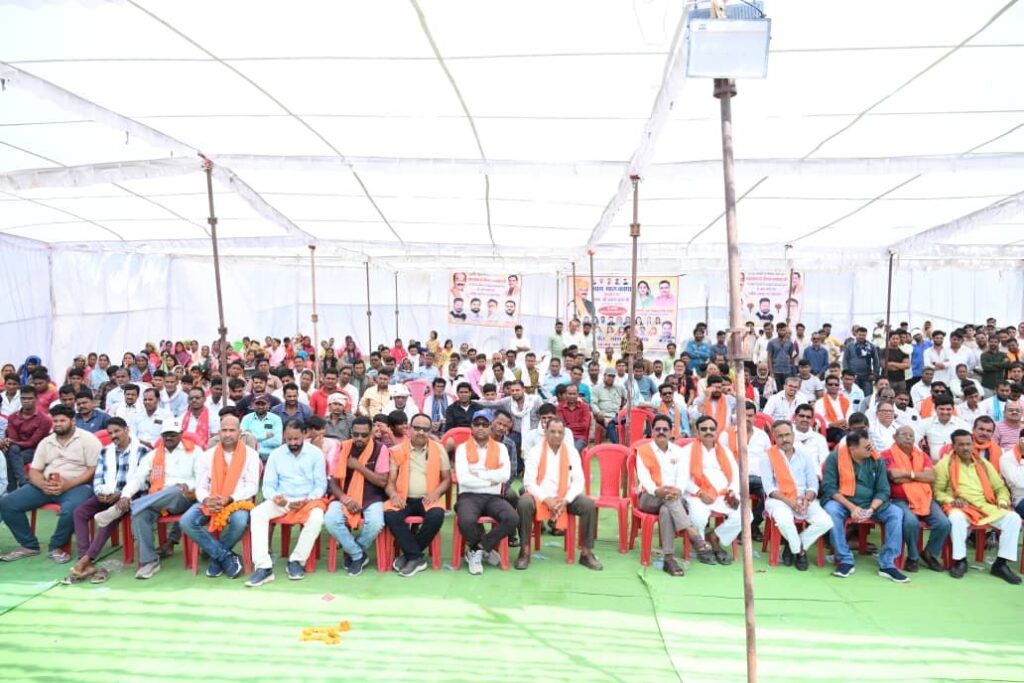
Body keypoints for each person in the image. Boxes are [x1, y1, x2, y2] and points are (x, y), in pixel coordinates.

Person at [0, 404, 101, 563]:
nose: (58, 424)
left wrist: (68, 485)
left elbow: (92, 470)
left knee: (72, 510)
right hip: (46, 485)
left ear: (73, 421)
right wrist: (42, 485)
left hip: (77, 485)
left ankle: (56, 546)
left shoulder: (88, 439)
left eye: (62, 421)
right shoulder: (46, 442)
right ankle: (29, 545)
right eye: (55, 421)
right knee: (7, 503)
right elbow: (35, 471)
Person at [66, 417, 149, 583]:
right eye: (110, 433)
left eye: (117, 431)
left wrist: (122, 494)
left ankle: (86, 559)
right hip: (108, 493)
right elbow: (98, 477)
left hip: (132, 496)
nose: (113, 436)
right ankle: (85, 558)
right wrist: (99, 492)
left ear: (127, 430)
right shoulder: (105, 451)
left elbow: (144, 481)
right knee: (80, 512)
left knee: (111, 516)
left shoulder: (142, 451)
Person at [246, 420, 328, 586]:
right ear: (284, 436)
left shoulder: (315, 454)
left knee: (317, 518)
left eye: (296, 439)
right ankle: (263, 567)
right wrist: (276, 497)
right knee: (257, 513)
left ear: (304, 435)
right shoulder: (276, 455)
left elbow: (320, 485)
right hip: (283, 500)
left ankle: (296, 560)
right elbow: (268, 486)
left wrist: (308, 500)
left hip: (308, 500)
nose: (292, 443)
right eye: (289, 439)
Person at [179, 415, 261, 580]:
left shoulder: (251, 455)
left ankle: (217, 558)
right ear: (218, 432)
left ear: (240, 433)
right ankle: (225, 557)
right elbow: (200, 486)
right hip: (211, 501)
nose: (228, 434)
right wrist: (206, 499)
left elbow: (252, 487)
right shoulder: (207, 456)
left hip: (237, 501)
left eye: (232, 430)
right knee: (186, 521)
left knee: (239, 522)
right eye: (224, 430)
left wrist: (229, 499)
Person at [934, 430, 1022, 584]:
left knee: (1013, 518)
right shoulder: (944, 464)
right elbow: (938, 491)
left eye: (968, 444)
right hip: (961, 506)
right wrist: (951, 500)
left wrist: (1002, 501)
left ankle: (1000, 564)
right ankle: (960, 561)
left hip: (985, 506)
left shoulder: (983, 464)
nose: (966, 448)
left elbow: (1000, 488)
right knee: (956, 518)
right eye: (961, 445)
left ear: (973, 444)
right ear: (953, 446)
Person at [515, 418, 602, 571]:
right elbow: (529, 482)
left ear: (564, 434)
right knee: (523, 503)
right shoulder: (535, 452)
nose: (556, 435)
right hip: (540, 497)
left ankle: (586, 553)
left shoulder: (571, 452)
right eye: (552, 431)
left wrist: (566, 500)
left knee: (588, 505)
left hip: (565, 497)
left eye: (560, 432)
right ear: (545, 433)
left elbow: (578, 481)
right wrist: (546, 499)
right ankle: (525, 551)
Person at [822, 431, 909, 582]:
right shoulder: (835, 458)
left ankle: (887, 563)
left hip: (871, 503)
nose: (871, 449)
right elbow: (830, 488)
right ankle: (845, 559)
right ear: (853, 449)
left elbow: (883, 490)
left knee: (896, 513)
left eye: (871, 445)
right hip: (843, 502)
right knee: (831, 510)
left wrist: (872, 509)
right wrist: (852, 508)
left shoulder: (876, 459)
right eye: (867, 447)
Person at [635, 414, 715, 576]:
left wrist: (678, 490)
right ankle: (692, 534)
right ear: (652, 431)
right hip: (649, 498)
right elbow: (644, 479)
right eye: (658, 429)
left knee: (667, 509)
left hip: (673, 499)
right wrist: (657, 491)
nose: (661, 432)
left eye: (665, 429)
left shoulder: (679, 452)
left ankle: (668, 558)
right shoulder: (643, 451)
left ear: (671, 432)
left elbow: (683, 477)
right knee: (668, 500)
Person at [125, 419, 199, 575]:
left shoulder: (194, 452)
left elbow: (203, 478)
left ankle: (134, 505)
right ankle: (149, 561)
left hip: (184, 498)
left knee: (175, 490)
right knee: (139, 515)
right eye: (165, 435)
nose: (169, 438)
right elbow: (138, 478)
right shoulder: (153, 455)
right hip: (158, 500)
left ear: (181, 434)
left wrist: (188, 485)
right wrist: (126, 495)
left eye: (172, 434)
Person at [384, 413, 451, 577]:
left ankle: (410, 555)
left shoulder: (438, 449)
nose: (421, 432)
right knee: (391, 515)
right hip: (403, 498)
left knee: (436, 516)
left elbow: (447, 479)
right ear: (409, 429)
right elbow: (390, 481)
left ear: (430, 431)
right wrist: (393, 495)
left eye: (425, 429)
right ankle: (415, 557)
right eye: (417, 428)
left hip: (428, 498)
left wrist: (436, 493)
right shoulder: (397, 450)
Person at [762, 420, 834, 571]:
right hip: (779, 500)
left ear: (793, 435)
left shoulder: (804, 455)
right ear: (774, 438)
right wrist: (790, 502)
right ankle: (800, 551)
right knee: (784, 521)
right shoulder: (768, 456)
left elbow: (813, 484)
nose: (784, 439)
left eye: (787, 435)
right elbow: (769, 488)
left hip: (803, 499)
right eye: (780, 436)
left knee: (826, 522)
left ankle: (792, 546)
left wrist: (807, 499)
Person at [453, 410, 518, 575]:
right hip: (469, 496)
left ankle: (479, 548)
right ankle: (483, 551)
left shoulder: (501, 448)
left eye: (485, 424)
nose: (480, 428)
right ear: (471, 427)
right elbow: (463, 479)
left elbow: (504, 475)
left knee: (512, 518)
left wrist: (478, 474)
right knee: (466, 521)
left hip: (493, 496)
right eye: (477, 424)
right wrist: (490, 480)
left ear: (490, 427)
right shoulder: (462, 449)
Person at [324, 416, 390, 576]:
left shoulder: (380, 449)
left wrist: (359, 467)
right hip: (344, 495)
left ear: (371, 433)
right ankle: (358, 555)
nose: (359, 438)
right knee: (330, 520)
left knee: (375, 523)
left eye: (364, 435)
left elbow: (382, 481)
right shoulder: (341, 448)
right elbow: (333, 482)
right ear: (350, 433)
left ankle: (354, 550)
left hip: (372, 496)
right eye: (356, 434)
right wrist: (345, 499)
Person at [880, 425, 949, 573]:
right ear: (894, 437)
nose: (908, 438)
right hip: (898, 499)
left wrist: (908, 475)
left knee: (944, 523)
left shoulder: (922, 455)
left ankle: (930, 553)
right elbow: (894, 476)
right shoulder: (886, 454)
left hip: (925, 497)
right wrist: (919, 476)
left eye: (911, 435)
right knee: (911, 522)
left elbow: (930, 477)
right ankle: (913, 557)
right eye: (903, 434)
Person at [681, 416, 742, 565]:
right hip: (698, 495)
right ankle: (702, 547)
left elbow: (735, 475)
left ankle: (715, 537)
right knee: (698, 518)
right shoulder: (686, 451)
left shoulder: (725, 451)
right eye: (704, 429)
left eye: (712, 429)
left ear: (716, 431)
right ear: (697, 432)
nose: (708, 431)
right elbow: (682, 479)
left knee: (745, 516)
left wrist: (732, 491)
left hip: (722, 495)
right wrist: (700, 493)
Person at [2, 385, 52, 491]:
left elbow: (33, 442)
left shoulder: (45, 419)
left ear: (36, 399)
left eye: (29, 398)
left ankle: (12, 489)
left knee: (9, 456)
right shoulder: (12, 417)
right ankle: (23, 482)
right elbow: (13, 438)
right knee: (12, 450)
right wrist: (12, 442)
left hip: (37, 450)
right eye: (23, 398)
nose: (26, 401)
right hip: (16, 450)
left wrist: (13, 442)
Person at [240, 394, 283, 462]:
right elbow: (243, 439)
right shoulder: (246, 419)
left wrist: (253, 440)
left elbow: (277, 441)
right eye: (257, 404)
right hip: (251, 456)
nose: (260, 406)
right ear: (253, 405)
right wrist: (265, 436)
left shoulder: (276, 419)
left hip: (270, 456)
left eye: (263, 404)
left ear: (268, 405)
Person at [843, 327, 881, 395]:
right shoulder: (850, 346)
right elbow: (845, 360)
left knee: (868, 395)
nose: (861, 337)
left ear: (866, 335)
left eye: (863, 335)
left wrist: (875, 374)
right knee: (853, 394)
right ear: (856, 334)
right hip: (853, 376)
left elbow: (876, 360)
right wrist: (846, 373)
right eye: (860, 335)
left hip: (867, 376)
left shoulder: (871, 346)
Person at [556, 384, 591, 452]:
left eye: (574, 394)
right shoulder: (560, 407)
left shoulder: (584, 407)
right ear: (566, 394)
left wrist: (568, 426)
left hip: (580, 438)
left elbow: (584, 426)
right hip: (564, 437)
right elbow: (561, 426)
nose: (572, 396)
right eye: (570, 394)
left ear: (578, 394)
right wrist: (577, 426)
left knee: (573, 450)